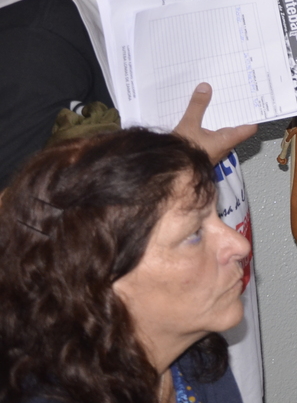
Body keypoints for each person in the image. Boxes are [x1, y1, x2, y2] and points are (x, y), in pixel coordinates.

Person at [0, 0, 262, 401]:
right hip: (103, 360)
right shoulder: (42, 26)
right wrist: (181, 159)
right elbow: (28, 224)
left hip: (190, 334)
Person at [0, 129, 252, 403]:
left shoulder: (197, 359)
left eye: (216, 214)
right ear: (98, 281)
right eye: (193, 234)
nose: (239, 245)